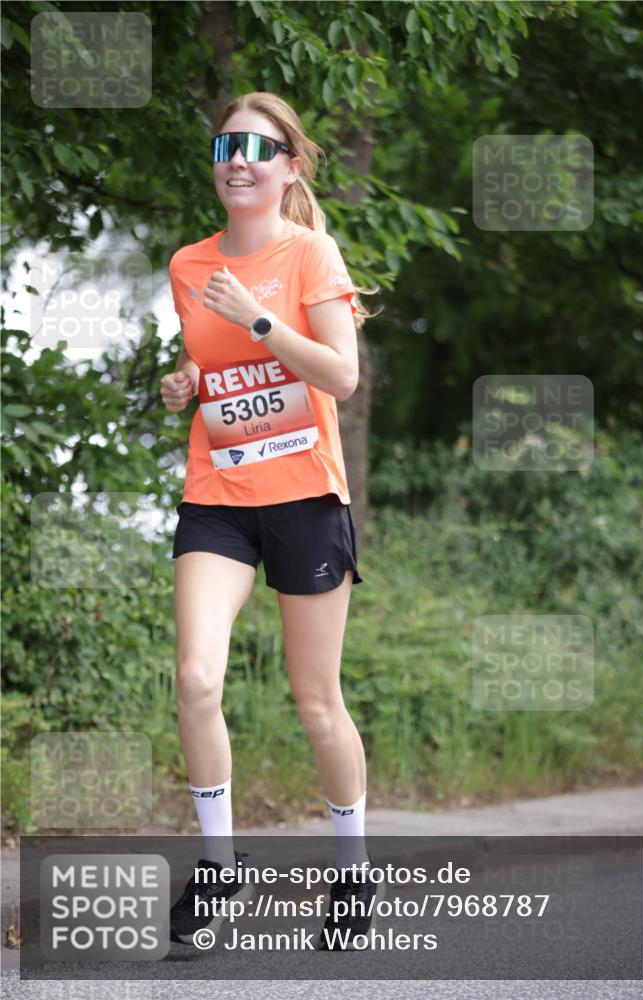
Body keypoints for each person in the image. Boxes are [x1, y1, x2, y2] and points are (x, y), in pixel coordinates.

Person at [161, 91, 383, 951]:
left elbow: (340, 375)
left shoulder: (308, 254)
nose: (238, 158)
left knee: (317, 702)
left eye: (258, 146)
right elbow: (212, 362)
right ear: (216, 164)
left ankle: (354, 869)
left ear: (289, 166)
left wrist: (256, 317)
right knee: (195, 679)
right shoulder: (188, 264)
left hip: (304, 502)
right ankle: (219, 866)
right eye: (226, 144)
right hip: (218, 494)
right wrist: (186, 382)